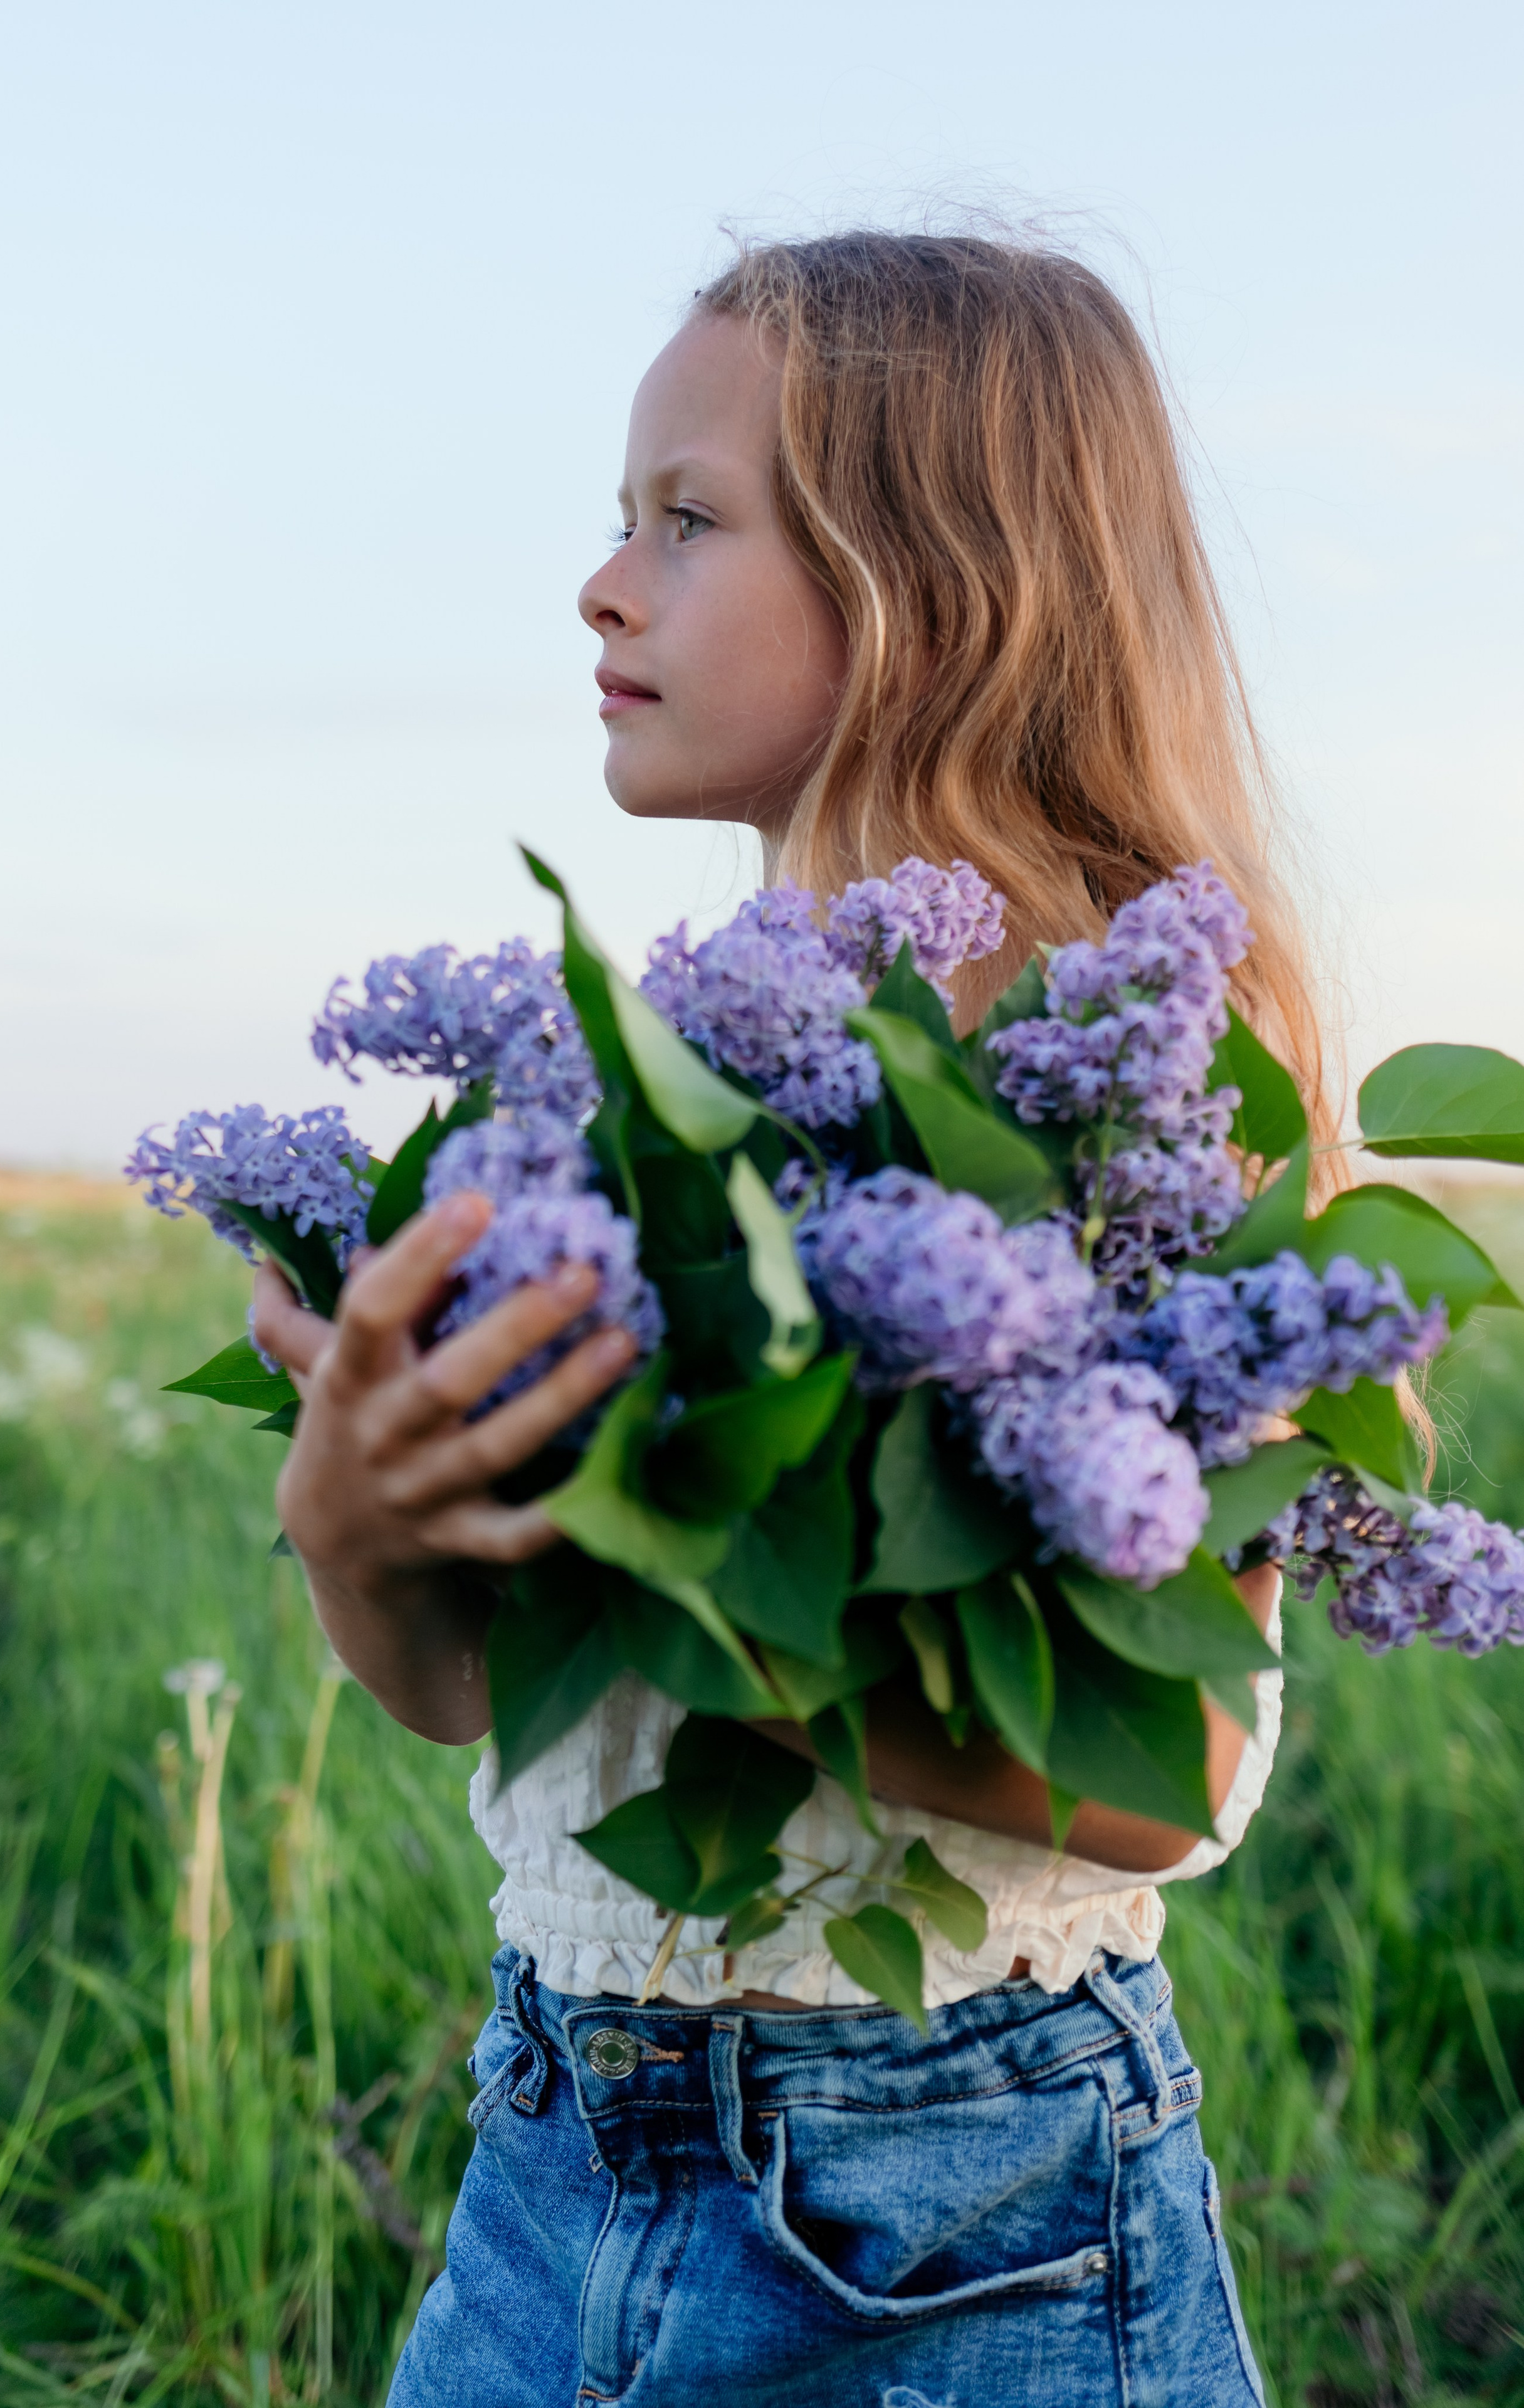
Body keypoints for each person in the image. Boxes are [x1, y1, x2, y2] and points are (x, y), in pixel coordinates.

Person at [254, 231, 1317, 2406]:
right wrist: (366, 1514)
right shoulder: (633, 1091)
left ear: (932, 581)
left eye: (688, 516)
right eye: (622, 515)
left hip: (968, 2217)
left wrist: (676, 1563)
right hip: (556, 2157)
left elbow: (1168, 1781)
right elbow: (471, 1698)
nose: (603, 583)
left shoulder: (1139, 1083)